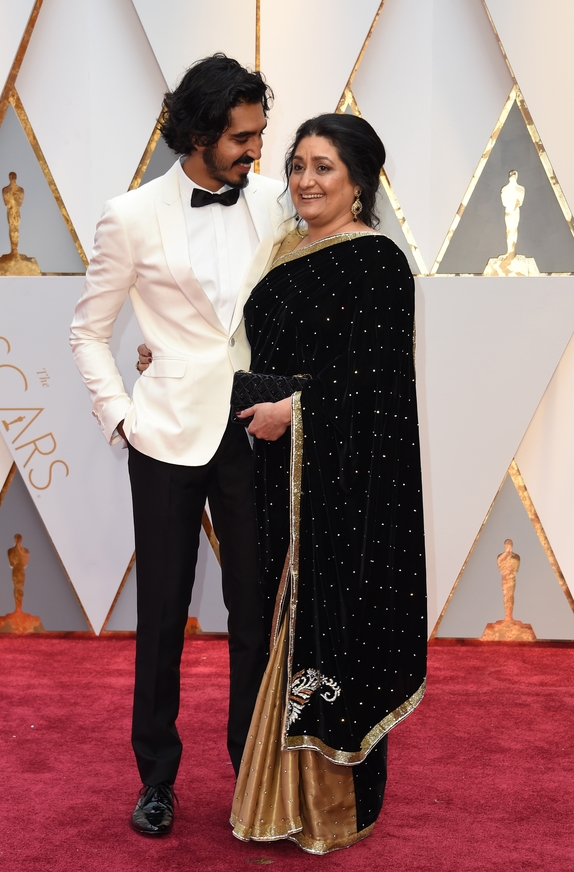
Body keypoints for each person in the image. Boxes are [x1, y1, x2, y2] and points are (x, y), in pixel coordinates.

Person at [70, 54, 292, 837]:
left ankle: (252, 770)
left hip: (254, 431)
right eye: (242, 137)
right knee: (162, 613)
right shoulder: (129, 215)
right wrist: (122, 418)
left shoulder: (275, 202)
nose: (257, 151)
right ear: (197, 134)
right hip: (163, 438)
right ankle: (157, 778)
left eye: (260, 134)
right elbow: (89, 332)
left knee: (254, 613)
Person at [228, 113, 428, 854]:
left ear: (359, 183)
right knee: (265, 623)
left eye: (324, 169)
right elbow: (245, 348)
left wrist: (296, 411)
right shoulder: (283, 249)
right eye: (298, 165)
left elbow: (378, 383)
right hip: (267, 472)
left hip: (339, 487)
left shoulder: (376, 262)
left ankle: (325, 807)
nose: (306, 181)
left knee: (327, 623)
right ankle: (269, 792)